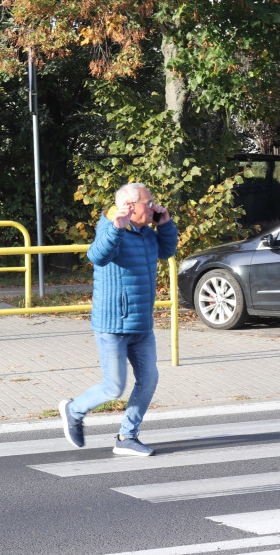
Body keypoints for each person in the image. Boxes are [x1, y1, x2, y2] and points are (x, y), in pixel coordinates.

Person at [59, 182, 178, 456]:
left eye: (153, 203)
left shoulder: (148, 233)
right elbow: (96, 256)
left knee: (148, 380)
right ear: (129, 206)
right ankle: (74, 409)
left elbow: (167, 250)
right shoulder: (110, 227)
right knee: (113, 387)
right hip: (113, 324)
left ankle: (127, 436)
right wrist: (117, 227)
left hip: (141, 324)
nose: (153, 207)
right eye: (148, 204)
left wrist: (166, 224)